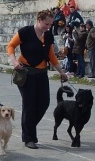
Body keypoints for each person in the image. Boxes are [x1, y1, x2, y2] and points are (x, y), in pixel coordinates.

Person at [7, 10, 68, 149]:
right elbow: (10, 46)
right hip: (26, 72)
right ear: (39, 20)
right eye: (46, 24)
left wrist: (61, 72)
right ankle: (29, 137)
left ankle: (28, 128)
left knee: (44, 103)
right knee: (29, 104)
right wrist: (14, 61)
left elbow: (51, 55)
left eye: (50, 24)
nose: (48, 27)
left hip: (41, 73)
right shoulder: (26, 32)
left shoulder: (48, 36)